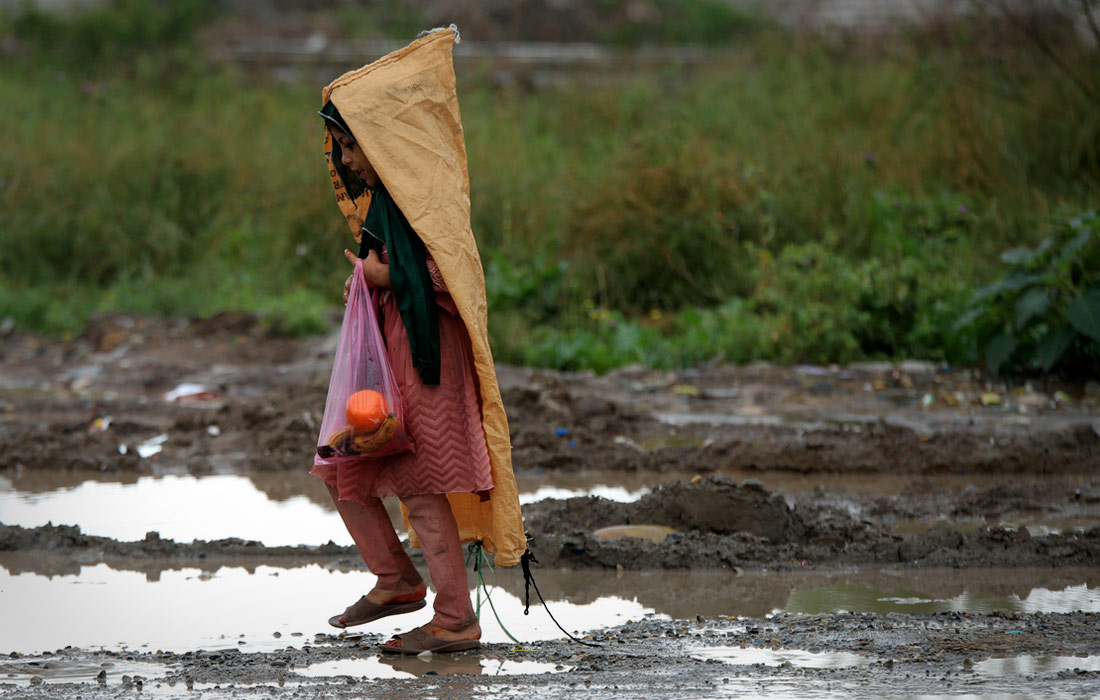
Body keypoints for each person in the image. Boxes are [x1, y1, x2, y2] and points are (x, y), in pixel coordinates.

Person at [309, 27, 526, 656]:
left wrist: (385, 274)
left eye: (351, 146)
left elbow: (454, 276)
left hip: (426, 358)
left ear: (384, 141)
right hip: (387, 352)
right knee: (340, 460)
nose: (347, 161)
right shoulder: (387, 206)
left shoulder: (427, 204)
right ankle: (395, 579)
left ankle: (454, 618)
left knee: (419, 481)